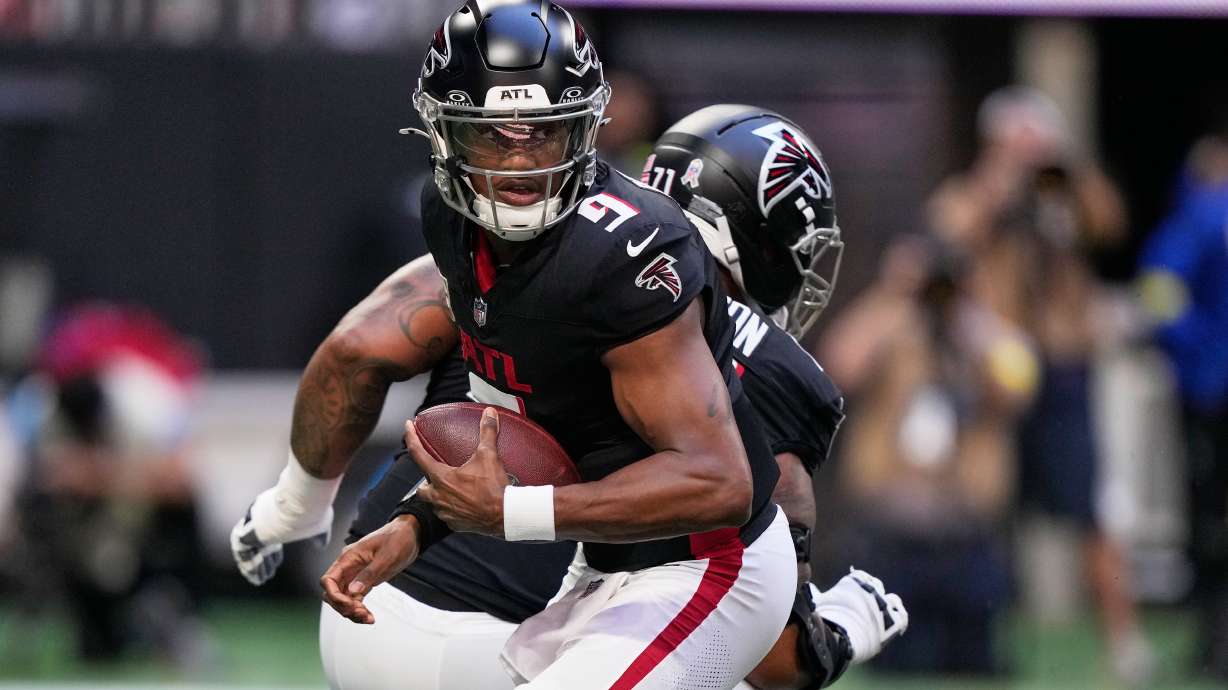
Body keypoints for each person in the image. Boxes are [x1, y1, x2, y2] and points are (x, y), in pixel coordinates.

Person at [239, 3, 796, 688]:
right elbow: (516, 421)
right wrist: (418, 524)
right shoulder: (451, 220)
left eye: (545, 134)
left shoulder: (624, 253)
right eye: (492, 138)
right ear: (443, 135)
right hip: (601, 565)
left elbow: (720, 482)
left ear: (587, 130)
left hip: (707, 567)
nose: (521, 163)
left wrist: (511, 514)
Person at [1137, 127, 1228, 681]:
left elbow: (1157, 291)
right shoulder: (1206, 215)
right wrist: (1202, 351)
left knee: (1210, 523)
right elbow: (1161, 290)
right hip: (1212, 392)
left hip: (1208, 389)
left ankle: (1214, 643)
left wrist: (1192, 351)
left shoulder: (1197, 216)